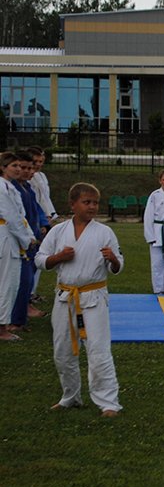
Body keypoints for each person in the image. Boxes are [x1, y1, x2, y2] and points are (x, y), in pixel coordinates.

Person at [35, 182, 123, 416]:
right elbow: (40, 260)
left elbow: (118, 266)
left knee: (98, 349)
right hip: (65, 296)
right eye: (87, 202)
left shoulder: (105, 232)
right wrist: (59, 257)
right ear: (73, 204)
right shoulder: (58, 231)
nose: (92, 206)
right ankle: (70, 396)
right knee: (62, 350)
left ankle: (108, 402)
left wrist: (113, 259)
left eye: (95, 202)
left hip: (93, 296)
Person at [0, 152, 36, 341]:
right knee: (7, 283)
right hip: (6, 237)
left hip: (13, 236)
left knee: (11, 283)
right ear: (3, 167)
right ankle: (2, 328)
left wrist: (29, 235)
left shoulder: (11, 188)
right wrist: (25, 239)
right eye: (13, 165)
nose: (18, 169)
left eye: (19, 166)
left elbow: (20, 216)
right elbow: (11, 217)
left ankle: (4, 324)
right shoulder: (1, 187)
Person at [11, 151, 48, 327]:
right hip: (21, 240)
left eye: (28, 168)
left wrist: (43, 224)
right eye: (21, 167)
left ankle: (24, 308)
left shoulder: (27, 189)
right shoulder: (13, 189)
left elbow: (36, 210)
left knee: (29, 277)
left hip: (32, 237)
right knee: (22, 279)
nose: (26, 171)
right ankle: (17, 314)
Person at [27, 145, 56, 304]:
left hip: (46, 218)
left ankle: (33, 291)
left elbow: (45, 199)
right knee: (32, 258)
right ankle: (28, 294)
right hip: (36, 221)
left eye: (41, 161)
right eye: (36, 161)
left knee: (40, 256)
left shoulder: (41, 177)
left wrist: (51, 215)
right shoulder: (27, 180)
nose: (39, 164)